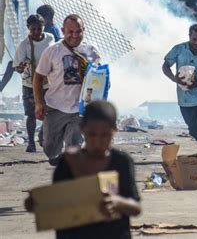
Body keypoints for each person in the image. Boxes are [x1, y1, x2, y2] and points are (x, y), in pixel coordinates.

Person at [25, 100, 141, 239]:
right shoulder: (68, 162)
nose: (98, 142)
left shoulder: (121, 162)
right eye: (92, 135)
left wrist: (117, 202)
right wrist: (36, 203)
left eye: (105, 135)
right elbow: (54, 203)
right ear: (82, 130)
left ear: (114, 131)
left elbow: (135, 207)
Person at [34, 14, 100, 165]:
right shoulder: (52, 51)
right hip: (55, 107)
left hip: (80, 109)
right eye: (70, 32)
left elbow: (99, 77)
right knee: (50, 148)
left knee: (74, 146)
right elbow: (38, 77)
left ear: (84, 30)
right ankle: (50, 142)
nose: (75, 36)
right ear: (63, 30)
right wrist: (38, 103)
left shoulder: (90, 51)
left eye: (79, 32)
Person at [162, 23, 197, 152]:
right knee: (193, 128)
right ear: (189, 37)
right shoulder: (179, 49)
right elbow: (166, 65)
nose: (196, 42)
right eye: (194, 39)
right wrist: (174, 78)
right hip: (184, 98)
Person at [13, 14, 55, 152]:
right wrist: (21, 67)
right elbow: (17, 67)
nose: (36, 32)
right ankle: (31, 143)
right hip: (29, 84)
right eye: (33, 29)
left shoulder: (50, 38)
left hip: (48, 82)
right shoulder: (23, 45)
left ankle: (42, 135)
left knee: (48, 111)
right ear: (28, 29)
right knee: (31, 114)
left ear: (43, 27)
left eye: (39, 28)